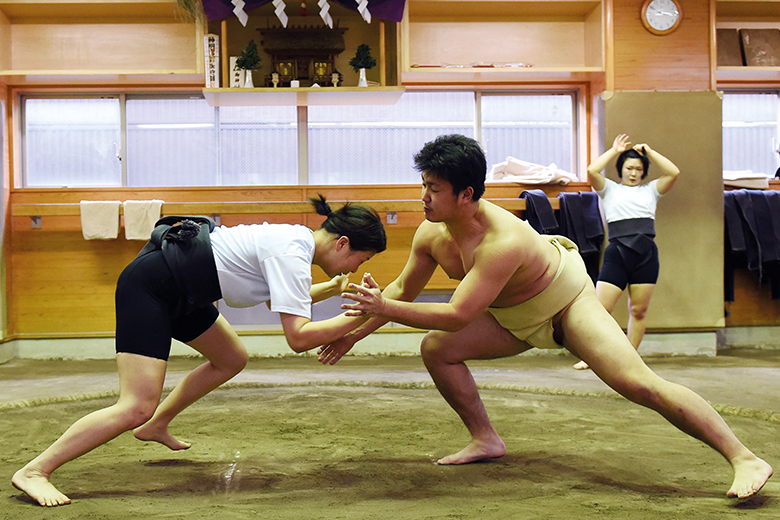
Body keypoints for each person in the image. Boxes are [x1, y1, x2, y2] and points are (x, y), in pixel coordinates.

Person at [318, 134, 773, 499]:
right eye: (424, 185)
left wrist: (383, 310)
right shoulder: (431, 233)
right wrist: (356, 334)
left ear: (466, 194)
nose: (424, 198)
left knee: (638, 384)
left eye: (433, 190)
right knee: (437, 351)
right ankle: (486, 439)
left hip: (565, 304)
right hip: (512, 317)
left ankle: (743, 457)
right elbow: (400, 291)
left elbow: (457, 314)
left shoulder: (503, 241)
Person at [12, 195, 386, 507]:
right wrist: (369, 313)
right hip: (152, 289)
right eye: (361, 258)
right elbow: (299, 338)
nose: (357, 266)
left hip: (185, 292)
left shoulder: (295, 243)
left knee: (231, 358)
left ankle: (156, 423)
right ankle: (36, 470)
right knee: (135, 404)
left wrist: (334, 290)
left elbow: (283, 298)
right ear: (342, 244)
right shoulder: (291, 252)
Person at [573, 134, 679, 370]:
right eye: (629, 168)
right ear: (621, 169)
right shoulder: (609, 189)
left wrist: (649, 152)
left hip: (646, 255)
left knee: (638, 310)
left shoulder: (651, 190)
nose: (633, 173)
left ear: (643, 172)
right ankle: (591, 356)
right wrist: (614, 150)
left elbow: (673, 172)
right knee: (599, 310)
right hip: (618, 254)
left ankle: (630, 358)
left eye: (638, 169)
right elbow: (592, 171)